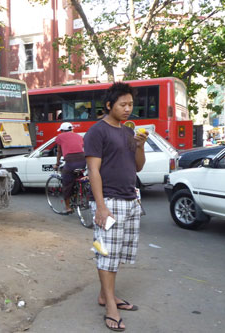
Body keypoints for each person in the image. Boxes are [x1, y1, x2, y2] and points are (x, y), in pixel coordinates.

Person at [83, 82, 148, 331]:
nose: (128, 109)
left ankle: (104, 295)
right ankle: (110, 304)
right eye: (123, 104)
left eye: (130, 104)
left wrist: (140, 146)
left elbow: (138, 167)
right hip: (109, 201)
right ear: (109, 105)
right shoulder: (97, 132)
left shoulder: (128, 132)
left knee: (116, 253)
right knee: (106, 253)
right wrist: (100, 207)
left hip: (131, 199)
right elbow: (93, 170)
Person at [54, 122, 86, 215]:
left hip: (71, 162)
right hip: (83, 161)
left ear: (62, 130)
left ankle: (68, 208)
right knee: (78, 177)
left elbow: (59, 152)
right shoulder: (79, 136)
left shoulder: (60, 136)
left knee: (67, 184)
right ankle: (79, 193)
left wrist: (57, 163)